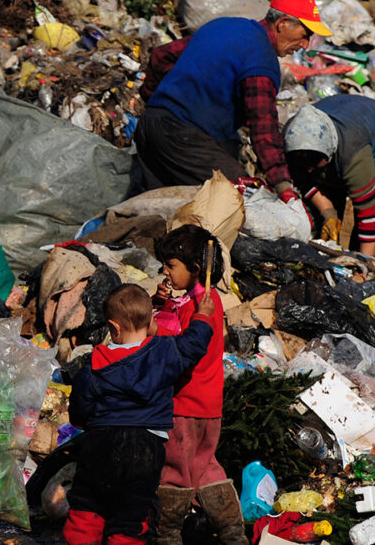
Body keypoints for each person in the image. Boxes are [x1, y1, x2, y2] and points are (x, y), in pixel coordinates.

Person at [135, 0, 333, 206]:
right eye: (305, 35)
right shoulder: (261, 61)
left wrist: (154, 102)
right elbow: (263, 129)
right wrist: (283, 187)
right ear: (283, 23)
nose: (304, 45)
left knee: (158, 214)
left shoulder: (224, 26)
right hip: (183, 139)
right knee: (242, 202)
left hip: (149, 128)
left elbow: (161, 56)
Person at [66, 284, 215, 545]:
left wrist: (86, 424)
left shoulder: (93, 365)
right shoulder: (164, 352)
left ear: (113, 327)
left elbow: (78, 411)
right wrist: (202, 316)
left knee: (87, 502)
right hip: (145, 448)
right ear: (150, 323)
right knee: (132, 512)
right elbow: (194, 344)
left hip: (99, 444)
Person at [151, 225, 245, 545]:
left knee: (175, 471)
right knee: (205, 468)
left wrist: (157, 317)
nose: (165, 271)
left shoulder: (198, 307)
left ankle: (168, 535)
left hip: (184, 405)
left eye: (170, 265)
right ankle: (234, 533)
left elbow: (175, 346)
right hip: (210, 405)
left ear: (195, 269)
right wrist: (165, 303)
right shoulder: (210, 300)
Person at [284, 95, 375, 258]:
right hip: (345, 120)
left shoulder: (354, 155)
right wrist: (328, 212)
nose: (309, 169)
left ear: (329, 152)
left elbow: (369, 215)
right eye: (303, 161)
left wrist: (366, 265)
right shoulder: (293, 140)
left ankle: (374, 265)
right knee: (322, 224)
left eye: (314, 161)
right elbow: (302, 180)